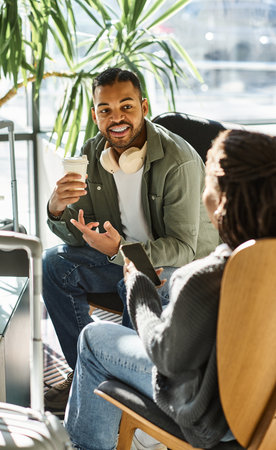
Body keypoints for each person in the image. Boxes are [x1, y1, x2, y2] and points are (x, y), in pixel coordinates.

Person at [64, 129, 276, 450]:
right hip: (264, 412)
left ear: (219, 199)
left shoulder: (205, 279)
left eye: (206, 180)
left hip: (211, 417)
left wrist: (139, 287)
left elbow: (166, 356)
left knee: (93, 340)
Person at [43, 67, 219, 411]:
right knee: (54, 265)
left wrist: (120, 252)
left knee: (133, 284)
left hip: (176, 266)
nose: (116, 118)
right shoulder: (93, 154)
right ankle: (84, 374)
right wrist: (57, 208)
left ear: (144, 107)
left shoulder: (178, 160)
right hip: (120, 256)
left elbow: (183, 248)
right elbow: (82, 230)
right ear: (95, 116)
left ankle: (125, 393)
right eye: (105, 110)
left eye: (126, 107)